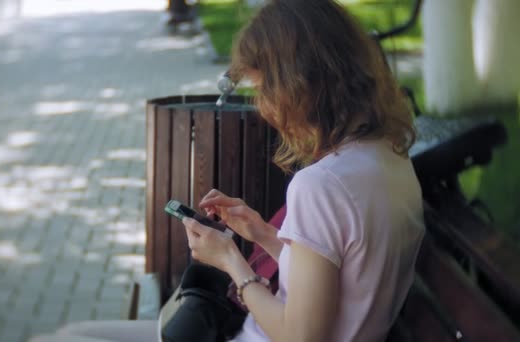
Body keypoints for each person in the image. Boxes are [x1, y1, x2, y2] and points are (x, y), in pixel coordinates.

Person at [32, 0, 425, 341]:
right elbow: (343, 277)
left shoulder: (322, 185)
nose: (265, 108)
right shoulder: (390, 158)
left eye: (266, 89)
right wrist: (264, 234)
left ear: (300, 83)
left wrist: (232, 263)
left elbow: (302, 336)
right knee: (64, 337)